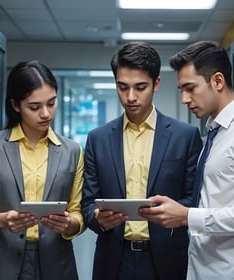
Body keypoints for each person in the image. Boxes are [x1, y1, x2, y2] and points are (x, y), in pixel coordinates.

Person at [139, 40, 234, 279]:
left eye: (190, 88)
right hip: (206, 268)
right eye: (181, 91)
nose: (185, 99)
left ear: (217, 81)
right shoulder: (216, 132)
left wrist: (187, 216)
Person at [81, 41, 203, 280]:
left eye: (140, 87)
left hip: (167, 260)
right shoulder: (98, 139)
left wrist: (173, 214)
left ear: (156, 84)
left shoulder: (185, 136)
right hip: (113, 261)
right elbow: (87, 203)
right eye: (122, 87)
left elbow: (194, 199)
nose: (130, 97)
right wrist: (97, 217)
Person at [0, 61, 84, 280]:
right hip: (0, 264)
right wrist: (3, 220)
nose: (45, 113)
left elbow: (78, 212)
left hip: (56, 264)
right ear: (16, 105)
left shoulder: (72, 150)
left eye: (51, 103)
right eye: (34, 107)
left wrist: (69, 223)